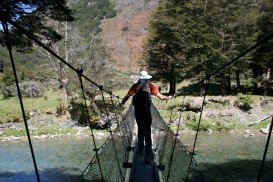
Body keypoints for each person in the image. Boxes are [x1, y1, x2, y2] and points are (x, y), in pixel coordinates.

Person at [120, 70, 172, 164]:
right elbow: (161, 97)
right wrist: (169, 97)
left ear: (140, 78)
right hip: (146, 111)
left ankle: (140, 150)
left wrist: (121, 104)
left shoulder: (135, 86)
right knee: (147, 131)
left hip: (137, 111)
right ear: (147, 78)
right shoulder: (150, 86)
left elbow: (127, 96)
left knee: (140, 129)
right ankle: (148, 155)